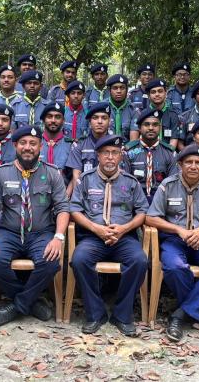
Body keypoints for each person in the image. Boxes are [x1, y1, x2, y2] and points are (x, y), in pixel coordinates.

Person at [0, 125, 70, 326]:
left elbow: (63, 208)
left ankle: (17, 305)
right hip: (9, 232)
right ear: (15, 145)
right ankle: (31, 302)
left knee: (50, 262)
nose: (28, 147)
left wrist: (58, 237)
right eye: (23, 143)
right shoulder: (1, 173)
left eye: (33, 143)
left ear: (41, 147)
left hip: (41, 232)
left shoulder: (52, 173)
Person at [145, 144, 199, 342]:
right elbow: (151, 218)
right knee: (174, 267)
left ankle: (179, 315)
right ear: (180, 165)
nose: (193, 166)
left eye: (198, 163)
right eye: (189, 162)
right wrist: (179, 230)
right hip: (175, 240)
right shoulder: (168, 185)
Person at [69, 135, 149, 336]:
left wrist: (124, 229)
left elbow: (142, 212)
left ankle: (122, 315)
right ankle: (95, 314)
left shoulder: (131, 182)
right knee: (79, 260)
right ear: (98, 155)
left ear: (121, 156)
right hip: (93, 237)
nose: (110, 157)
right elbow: (74, 210)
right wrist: (96, 228)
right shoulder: (85, 180)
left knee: (139, 260)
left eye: (115, 153)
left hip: (123, 238)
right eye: (106, 153)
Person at [123, 108, 178, 203]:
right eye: (146, 124)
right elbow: (124, 183)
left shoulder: (169, 153)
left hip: (161, 201)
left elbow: (172, 184)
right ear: (139, 128)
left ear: (160, 128)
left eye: (155, 125)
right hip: (134, 201)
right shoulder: (128, 152)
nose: (151, 128)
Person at [64, 102, 111, 197]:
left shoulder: (116, 147)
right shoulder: (79, 146)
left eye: (104, 118)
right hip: (85, 195)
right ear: (89, 122)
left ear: (109, 122)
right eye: (95, 118)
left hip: (109, 194)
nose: (100, 121)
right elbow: (76, 177)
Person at [129, 79, 180, 148]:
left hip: (167, 152)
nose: (157, 94)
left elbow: (173, 139)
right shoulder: (141, 114)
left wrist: (167, 153)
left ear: (166, 93)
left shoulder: (173, 115)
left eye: (160, 91)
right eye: (153, 92)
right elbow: (138, 139)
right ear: (148, 95)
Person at [39, 102, 74, 181]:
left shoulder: (71, 146)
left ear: (63, 120)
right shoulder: (34, 143)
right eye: (49, 116)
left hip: (63, 187)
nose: (53, 120)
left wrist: (67, 190)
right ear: (43, 120)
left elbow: (74, 176)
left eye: (57, 117)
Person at [106, 74, 136, 141]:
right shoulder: (101, 107)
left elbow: (133, 140)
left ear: (127, 89)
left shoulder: (133, 109)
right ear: (109, 90)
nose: (119, 91)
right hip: (106, 145)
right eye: (115, 88)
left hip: (127, 146)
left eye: (122, 88)